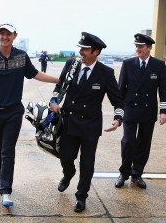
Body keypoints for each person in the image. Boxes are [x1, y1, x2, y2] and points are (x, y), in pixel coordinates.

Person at [0, 23, 59, 207]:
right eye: (2, 34)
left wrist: (59, 80)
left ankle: (6, 191)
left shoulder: (21, 56)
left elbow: (35, 74)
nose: (5, 37)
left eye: (8, 34)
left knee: (7, 150)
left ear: (15, 36)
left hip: (13, 112)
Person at [49, 32, 124, 213]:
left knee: (87, 164)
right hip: (69, 122)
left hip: (90, 126)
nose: (81, 52)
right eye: (80, 48)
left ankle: (81, 196)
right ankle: (68, 174)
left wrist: (118, 119)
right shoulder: (72, 65)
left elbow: (118, 101)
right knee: (65, 157)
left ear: (96, 52)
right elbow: (60, 86)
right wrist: (54, 101)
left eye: (85, 49)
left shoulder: (106, 73)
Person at [115, 33, 166, 189]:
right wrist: (119, 111)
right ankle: (124, 173)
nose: (137, 49)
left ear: (149, 48)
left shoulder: (159, 65)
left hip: (148, 110)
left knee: (144, 144)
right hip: (130, 109)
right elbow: (121, 89)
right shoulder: (128, 64)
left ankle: (137, 173)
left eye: (141, 46)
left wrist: (164, 111)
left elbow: (164, 89)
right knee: (128, 142)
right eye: (136, 46)